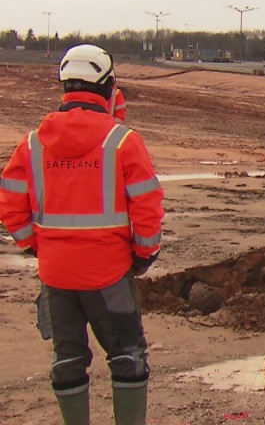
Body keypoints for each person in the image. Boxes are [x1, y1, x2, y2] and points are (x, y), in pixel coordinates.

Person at [0, 44, 164, 425]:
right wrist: (144, 254)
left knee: (68, 361)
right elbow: (147, 208)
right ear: (108, 88)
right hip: (108, 274)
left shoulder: (32, 142)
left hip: (56, 276)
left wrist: (34, 248)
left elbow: (10, 205)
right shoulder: (123, 141)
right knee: (128, 357)